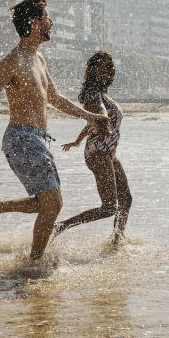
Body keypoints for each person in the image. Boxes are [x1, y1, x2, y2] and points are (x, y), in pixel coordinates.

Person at [0, 0, 108, 263]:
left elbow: (55, 98)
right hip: (20, 138)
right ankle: (34, 265)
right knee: (54, 203)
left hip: (37, 139)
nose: (52, 22)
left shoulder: (38, 59)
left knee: (49, 203)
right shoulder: (13, 61)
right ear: (35, 23)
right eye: (47, 17)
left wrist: (89, 117)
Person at [54, 51, 133, 245]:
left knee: (126, 200)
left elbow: (91, 124)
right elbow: (98, 112)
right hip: (98, 152)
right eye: (102, 67)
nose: (107, 70)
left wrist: (77, 141)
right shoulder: (92, 94)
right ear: (92, 70)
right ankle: (61, 226)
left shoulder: (104, 93)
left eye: (110, 67)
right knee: (108, 207)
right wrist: (103, 120)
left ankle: (117, 240)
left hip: (109, 152)